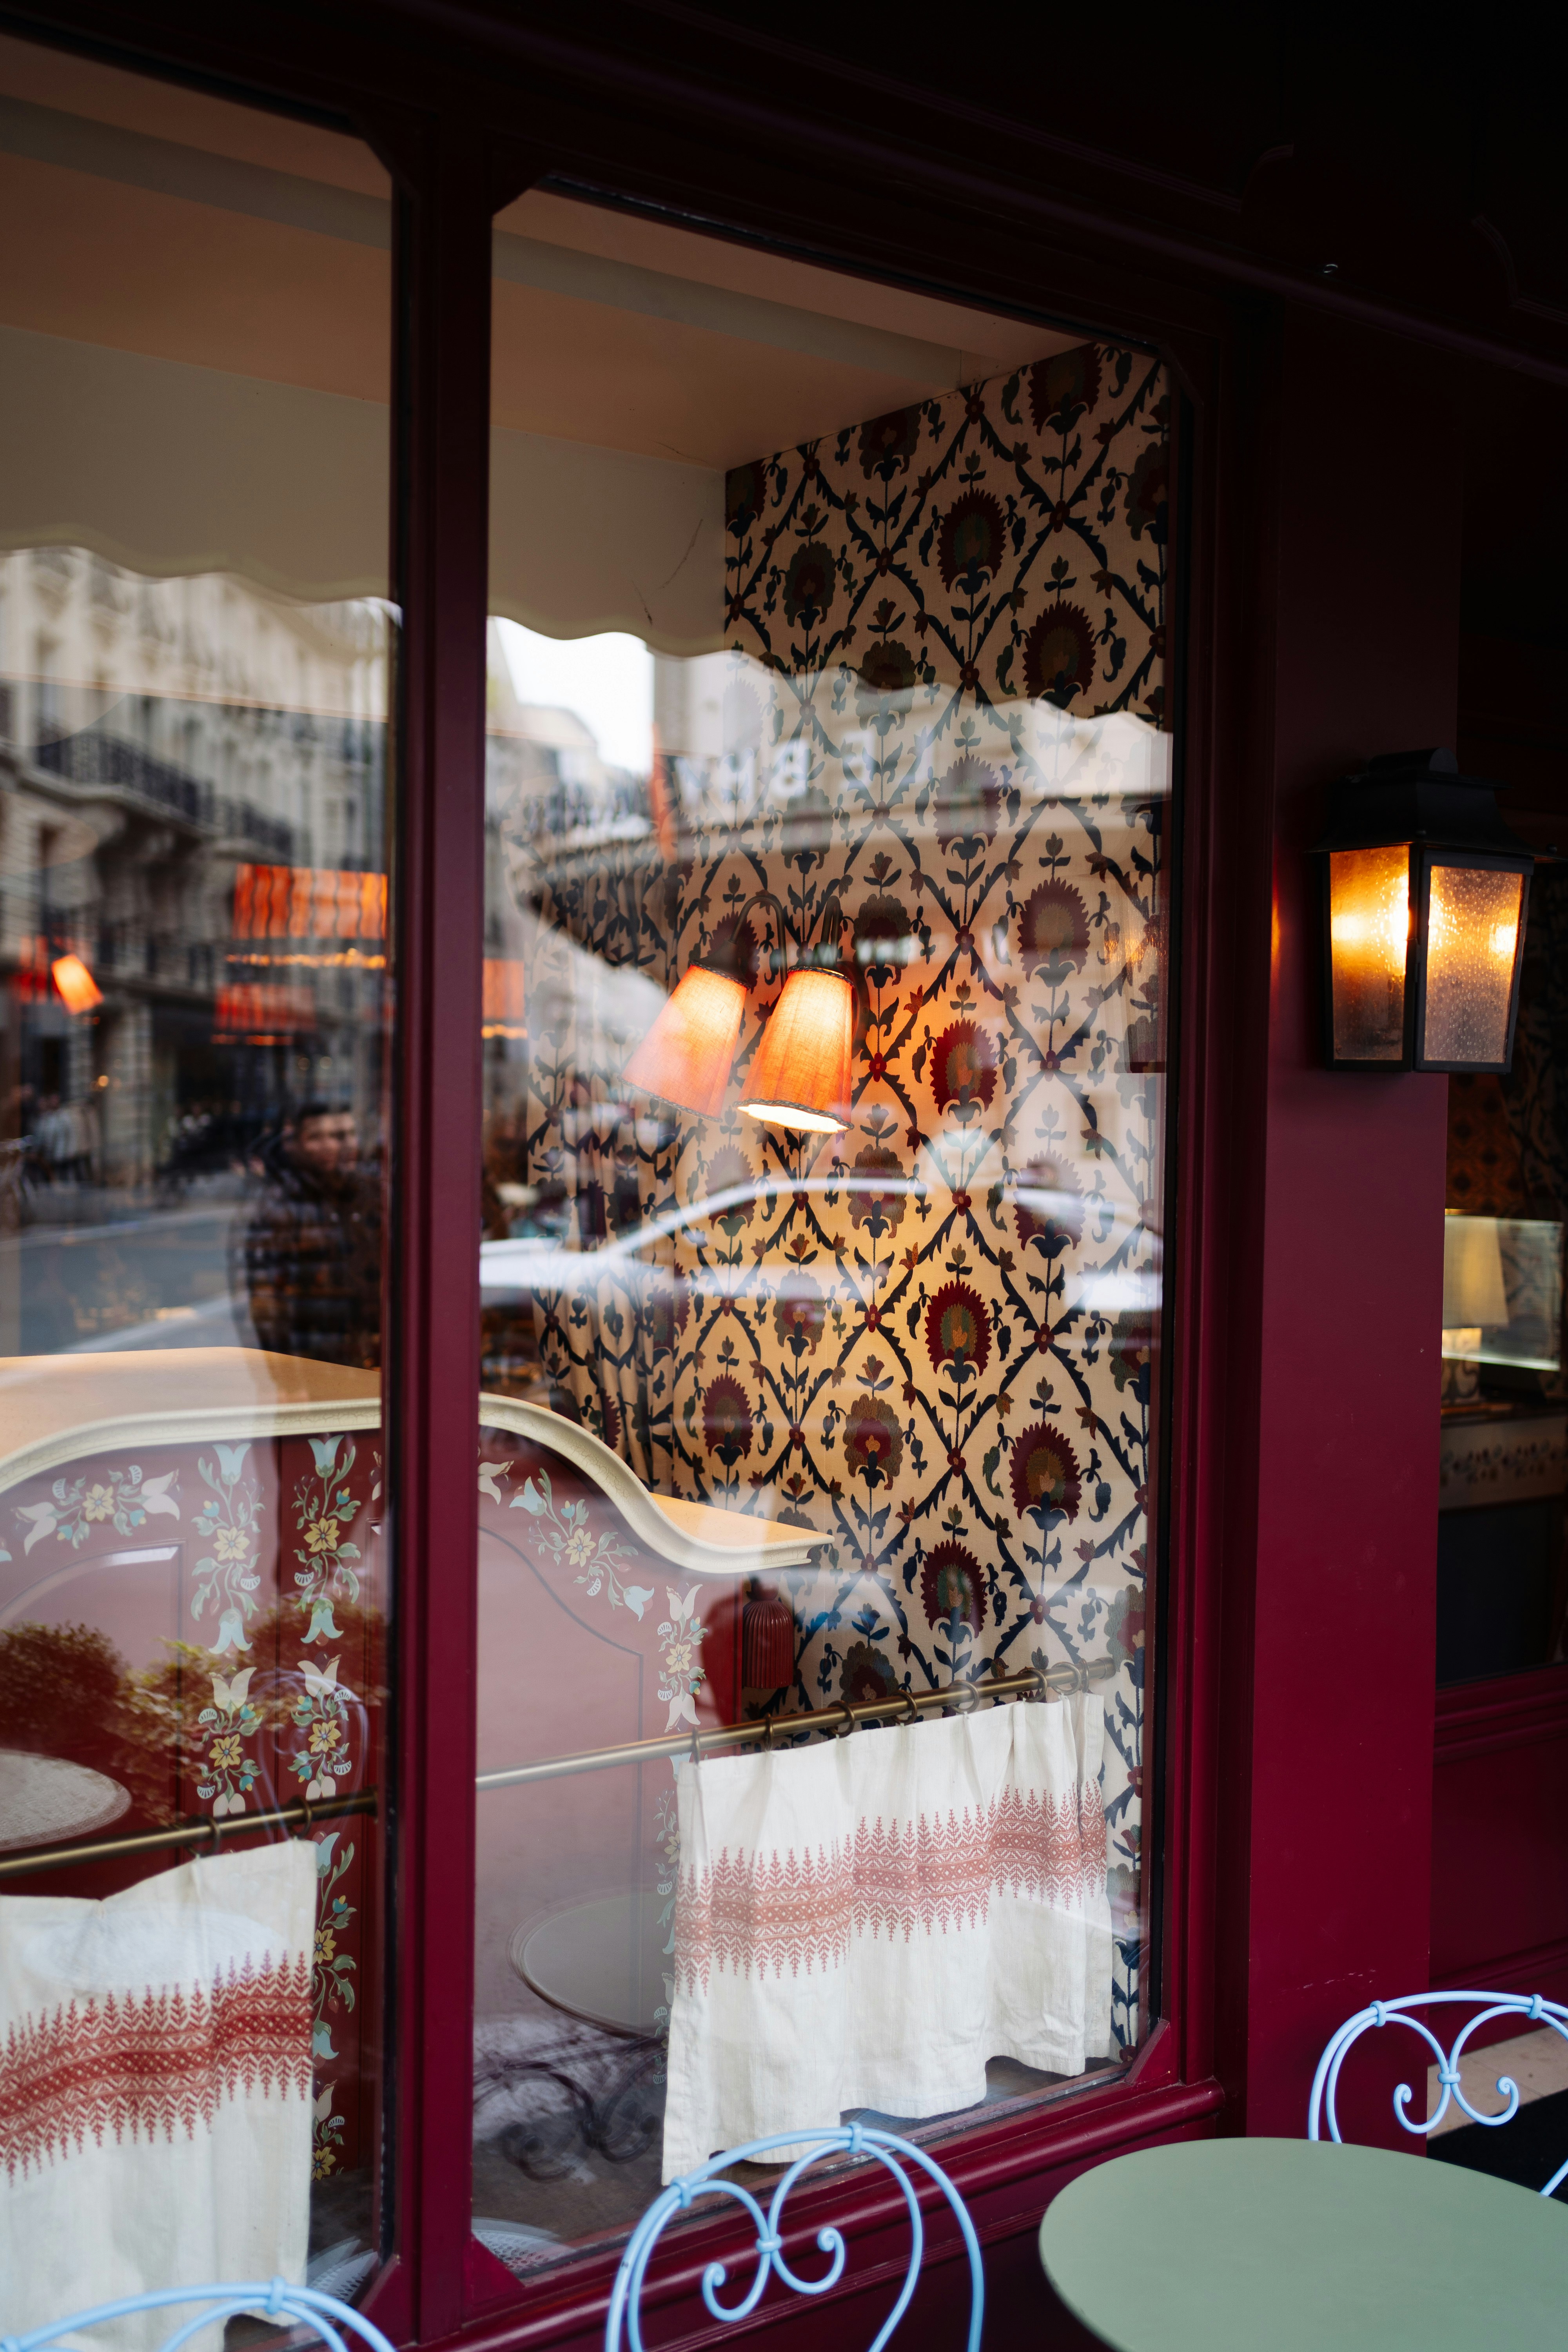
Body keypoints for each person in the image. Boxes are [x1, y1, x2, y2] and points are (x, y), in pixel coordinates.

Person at [239, 1100, 382, 1367]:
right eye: (317, 1138)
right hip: (312, 1361)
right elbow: (267, 1301)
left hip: (361, 1356)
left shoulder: (366, 1194)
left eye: (344, 1135)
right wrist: (283, 1372)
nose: (334, 1146)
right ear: (295, 1145)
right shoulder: (282, 1204)